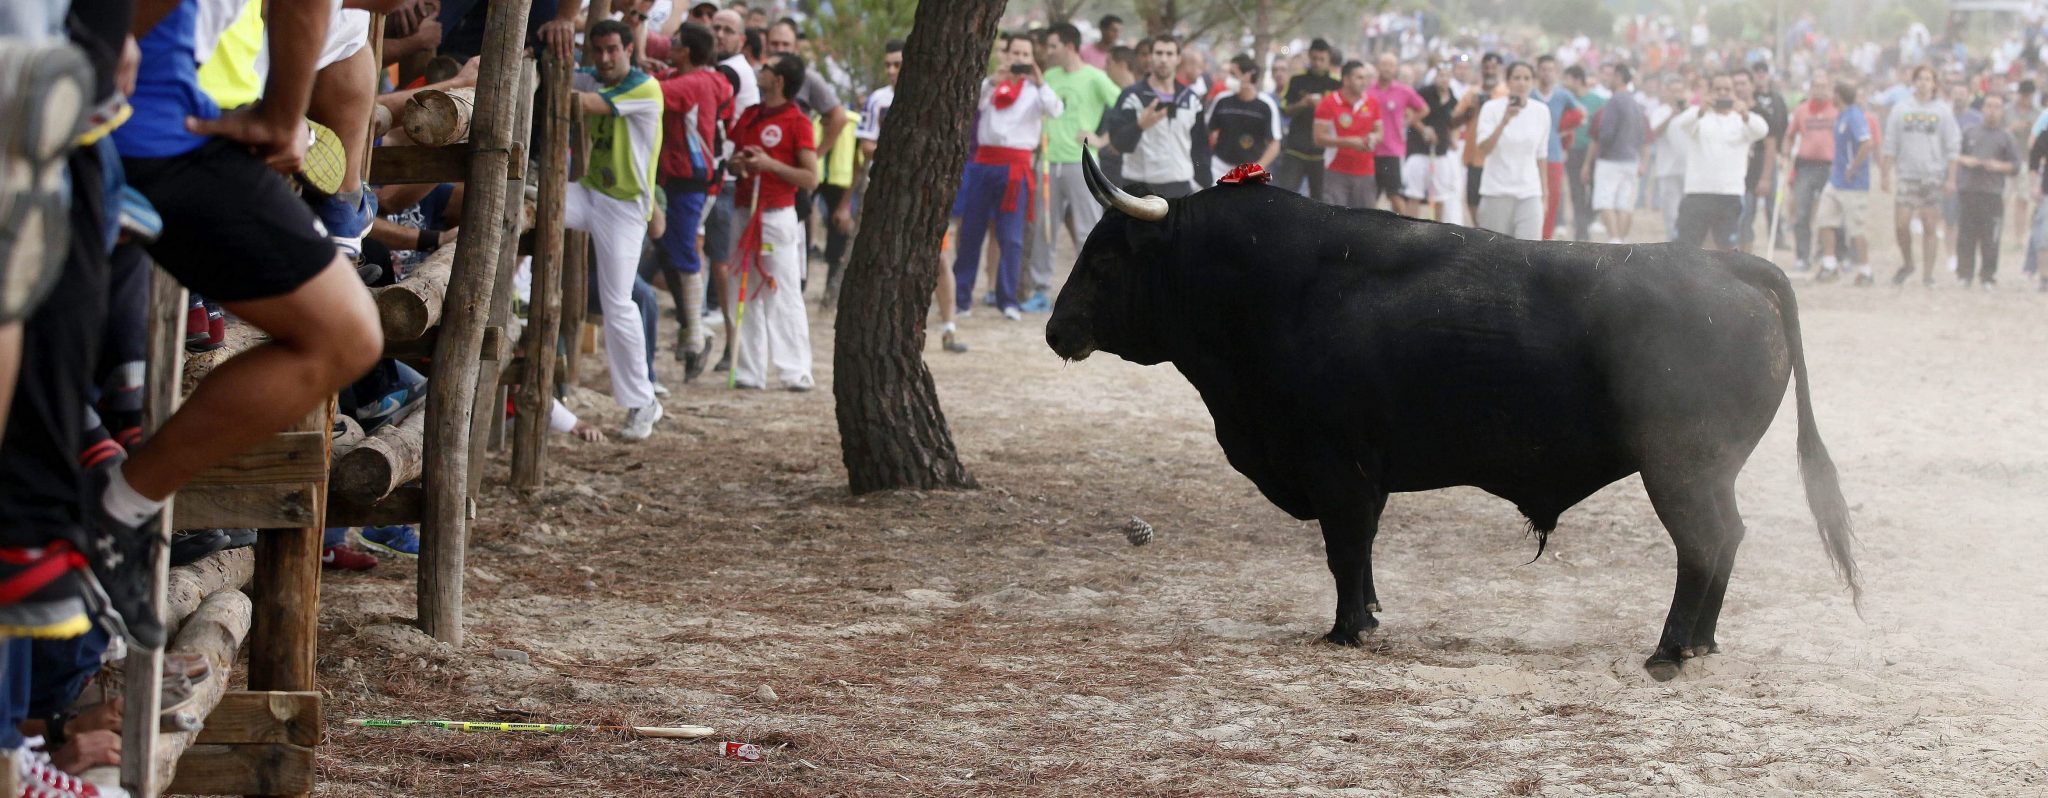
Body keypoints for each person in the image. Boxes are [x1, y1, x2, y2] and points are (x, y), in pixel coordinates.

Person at [566, 19, 665, 439]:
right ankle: (517, 294)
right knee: (520, 205)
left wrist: (551, 78)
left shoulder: (644, 87)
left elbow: (582, 104)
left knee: (618, 303)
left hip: (625, 210)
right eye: (598, 50)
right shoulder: (593, 76)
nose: (605, 58)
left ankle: (644, 401)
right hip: (588, 194)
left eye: (613, 50)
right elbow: (560, 77)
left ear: (629, 49)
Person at [854, 40, 968, 354]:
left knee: (940, 259)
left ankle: (949, 328)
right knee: (884, 259)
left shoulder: (933, 98)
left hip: (928, 192)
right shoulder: (878, 100)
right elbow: (865, 146)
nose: (891, 71)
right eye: (887, 64)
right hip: (886, 192)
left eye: (897, 64)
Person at [952, 33, 1062, 322]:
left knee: (1011, 237)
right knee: (971, 232)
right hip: (984, 163)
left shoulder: (1036, 91)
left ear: (1033, 59)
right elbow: (971, 103)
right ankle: (961, 298)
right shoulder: (991, 85)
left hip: (1016, 168)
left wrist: (1040, 81)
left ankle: (1007, 298)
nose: (1020, 60)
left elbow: (1055, 109)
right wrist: (993, 78)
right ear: (1007, 54)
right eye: (1016, 53)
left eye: (1026, 55)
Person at [726, 52, 818, 389]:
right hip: (743, 210)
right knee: (743, 287)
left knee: (782, 290)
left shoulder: (798, 121)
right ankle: (749, 370)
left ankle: (795, 370)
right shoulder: (750, 115)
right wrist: (739, 165)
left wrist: (771, 166)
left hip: (777, 215)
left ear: (778, 81)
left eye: (765, 69)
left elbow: (810, 178)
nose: (758, 72)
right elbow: (733, 159)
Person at [653, 21, 732, 381]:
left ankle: (698, 336)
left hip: (689, 179)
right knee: (671, 251)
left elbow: (649, 90)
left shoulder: (690, 83)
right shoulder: (706, 78)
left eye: (674, 41)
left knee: (683, 252)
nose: (668, 43)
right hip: (680, 178)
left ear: (686, 51)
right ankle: (693, 333)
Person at [1031, 22, 1120, 312]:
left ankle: (1095, 291)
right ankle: (1040, 291)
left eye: (1053, 45)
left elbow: (1125, 108)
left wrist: (1101, 138)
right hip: (1047, 162)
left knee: (1088, 230)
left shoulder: (1095, 77)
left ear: (1069, 46)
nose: (1049, 51)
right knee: (1044, 229)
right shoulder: (1050, 75)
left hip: (1081, 163)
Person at [1881, 64, 1959, 287]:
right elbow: (1891, 142)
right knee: (1901, 224)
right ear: (1913, 82)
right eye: (1920, 78)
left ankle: (1928, 274)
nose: (1924, 83)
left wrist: (1951, 177)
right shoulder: (1901, 108)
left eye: (1928, 79)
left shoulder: (1942, 111)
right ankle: (1908, 262)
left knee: (1929, 226)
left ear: (1934, 83)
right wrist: (1886, 173)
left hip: (1932, 176)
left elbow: (1952, 146)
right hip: (1906, 175)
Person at [1672, 72, 1767, 250]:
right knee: (1687, 248)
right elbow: (1682, 124)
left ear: (1733, 93)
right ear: (1709, 91)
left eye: (1727, 89)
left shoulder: (1742, 119)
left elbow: (1762, 130)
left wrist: (1745, 114)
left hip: (1729, 193)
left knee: (1727, 248)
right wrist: (1701, 109)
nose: (1722, 93)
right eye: (1717, 89)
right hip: (1697, 192)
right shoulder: (1698, 115)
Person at [1107, 35, 1207, 197]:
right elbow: (1117, 144)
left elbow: (1200, 147)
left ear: (1178, 59)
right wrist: (1139, 126)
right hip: (1140, 185)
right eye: (1159, 53)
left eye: (1169, 54)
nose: (1163, 59)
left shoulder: (1191, 99)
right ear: (1151, 57)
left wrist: (1206, 184)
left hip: (1179, 185)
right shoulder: (1132, 96)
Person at [1472, 62, 1552, 239]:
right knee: (1495, 254)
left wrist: (1544, 194)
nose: (1522, 83)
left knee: (1529, 254)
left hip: (1529, 193)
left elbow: (1541, 154)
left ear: (1533, 82)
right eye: (1516, 78)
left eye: (1527, 78)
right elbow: (1483, 149)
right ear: (1507, 81)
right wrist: (1504, 121)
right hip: (1496, 193)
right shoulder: (1491, 109)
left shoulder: (1541, 111)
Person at [1951, 93, 2021, 288]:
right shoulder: (1970, 132)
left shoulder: (2006, 137)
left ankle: (1987, 276)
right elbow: (1956, 156)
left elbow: (2015, 166)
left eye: (1997, 107)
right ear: (1982, 109)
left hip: (1993, 194)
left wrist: (1998, 166)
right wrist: (1968, 161)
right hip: (1969, 191)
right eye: (1989, 106)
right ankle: (1964, 275)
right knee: (1966, 236)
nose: (1992, 110)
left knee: (1991, 238)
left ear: (2001, 111)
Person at [1816, 81, 1875, 285]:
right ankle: (1830, 263)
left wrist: (1853, 167)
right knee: (1825, 219)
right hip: (1836, 180)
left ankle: (1865, 270)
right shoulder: (1841, 115)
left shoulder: (1855, 115)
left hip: (1854, 184)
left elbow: (1867, 142)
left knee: (1856, 228)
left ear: (1839, 95)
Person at [1582, 63, 1645, 244]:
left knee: (1604, 200)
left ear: (1618, 77)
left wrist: (1602, 151)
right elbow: (1642, 134)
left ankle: (1615, 240)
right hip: (1631, 158)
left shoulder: (1614, 100)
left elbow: (1606, 132)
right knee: (1624, 203)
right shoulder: (1635, 102)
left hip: (1611, 158)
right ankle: (1622, 241)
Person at [1784, 70, 1838, 271]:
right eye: (1816, 85)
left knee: (1829, 212)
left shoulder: (1836, 110)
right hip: (1805, 166)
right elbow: (1790, 136)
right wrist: (1786, 153)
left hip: (1829, 167)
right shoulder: (1801, 111)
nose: (1820, 89)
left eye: (1823, 86)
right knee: (1802, 212)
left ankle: (1827, 254)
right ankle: (1802, 256)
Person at [1273, 39, 1338, 198]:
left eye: (1322, 59)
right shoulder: (1297, 80)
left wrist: (1323, 107)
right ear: (1309, 56)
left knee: (1320, 200)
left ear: (1329, 59)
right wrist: (1303, 103)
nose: (1317, 63)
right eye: (1314, 58)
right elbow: (1285, 109)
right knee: (1286, 195)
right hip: (1296, 149)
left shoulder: (1337, 83)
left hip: (1322, 153)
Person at [1312, 60, 1382, 209]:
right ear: (1346, 80)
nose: (1364, 82)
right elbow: (1318, 138)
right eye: (1359, 78)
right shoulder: (1328, 103)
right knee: (1336, 222)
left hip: (1366, 172)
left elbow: (1379, 131)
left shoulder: (1372, 103)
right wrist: (1349, 142)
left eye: (1366, 78)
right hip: (1336, 172)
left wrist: (1373, 138)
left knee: (1366, 222)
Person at [1405, 61, 1464, 224]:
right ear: (1435, 76)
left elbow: (1452, 124)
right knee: (1414, 194)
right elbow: (1410, 114)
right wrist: (1424, 129)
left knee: (1440, 196)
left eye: (1447, 76)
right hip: (1419, 150)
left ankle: (1438, 231)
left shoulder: (1453, 99)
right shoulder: (1423, 93)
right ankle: (1410, 229)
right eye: (1441, 75)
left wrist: (1453, 138)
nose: (1444, 79)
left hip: (1441, 152)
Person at [1367, 52, 1426, 216]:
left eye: (1391, 65)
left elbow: (1423, 108)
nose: (1386, 68)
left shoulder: (1403, 91)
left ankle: (1405, 232)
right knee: (1370, 197)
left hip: (1392, 150)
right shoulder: (1368, 90)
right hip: (1370, 150)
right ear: (1378, 66)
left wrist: (1408, 122)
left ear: (1395, 69)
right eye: (1384, 64)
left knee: (1395, 196)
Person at [1205, 54, 1281, 178]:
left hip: (1250, 171)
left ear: (1249, 75)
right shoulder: (1222, 100)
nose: (1230, 79)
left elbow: (1275, 144)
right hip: (1219, 167)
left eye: (1234, 74)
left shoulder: (1266, 105)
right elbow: (1208, 130)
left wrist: (1258, 167)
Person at [1532, 55, 1583, 240]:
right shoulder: (1530, 94)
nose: (1547, 73)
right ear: (1537, 71)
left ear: (1556, 73)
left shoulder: (1563, 95)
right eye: (1543, 69)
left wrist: (1564, 130)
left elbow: (1579, 115)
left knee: (1552, 198)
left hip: (1553, 154)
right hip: (1529, 155)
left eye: (1550, 70)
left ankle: (1546, 238)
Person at [1561, 65, 1603, 239]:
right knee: (1576, 192)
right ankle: (1581, 232)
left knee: (1596, 193)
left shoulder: (1598, 101)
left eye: (1568, 79)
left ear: (1577, 79)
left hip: (1593, 152)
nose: (1565, 83)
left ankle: (1585, 221)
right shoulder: (1565, 100)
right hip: (1573, 151)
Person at [1646, 72, 1689, 240]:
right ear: (1666, 92)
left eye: (1680, 90)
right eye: (1673, 91)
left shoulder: (1692, 112)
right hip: (1667, 170)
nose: (1677, 94)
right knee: (1671, 215)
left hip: (1690, 171)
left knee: (1688, 215)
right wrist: (1671, 115)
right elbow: (1654, 133)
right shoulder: (1661, 111)